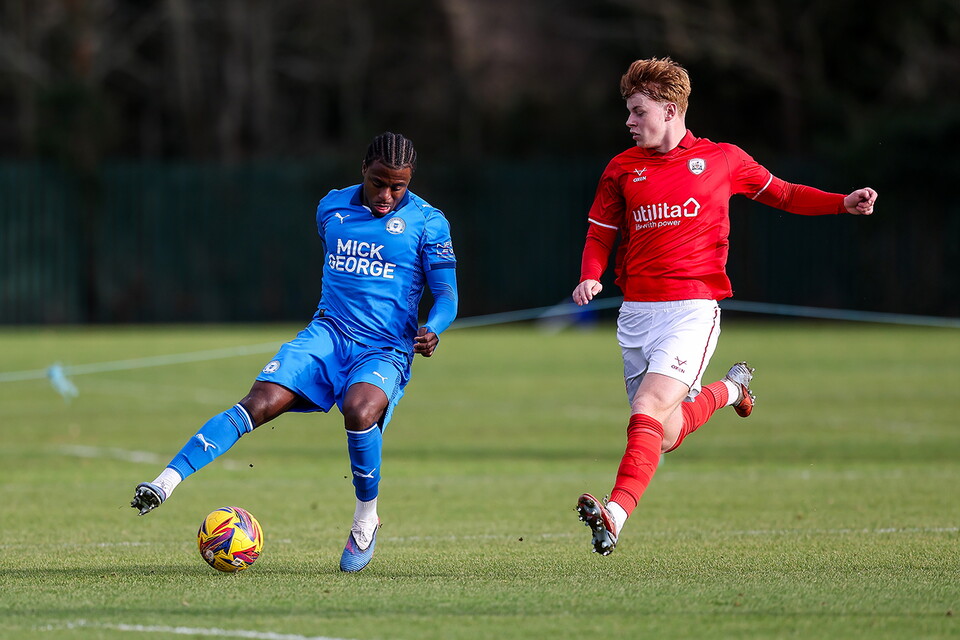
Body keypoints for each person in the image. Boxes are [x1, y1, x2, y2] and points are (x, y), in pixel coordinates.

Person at [572, 57, 877, 556]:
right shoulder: (621, 168)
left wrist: (840, 202)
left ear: (670, 110)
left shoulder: (723, 160)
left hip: (692, 310)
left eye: (636, 110)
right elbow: (600, 234)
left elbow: (784, 194)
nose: (628, 121)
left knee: (647, 410)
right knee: (664, 433)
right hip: (636, 315)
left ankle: (615, 514)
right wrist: (590, 274)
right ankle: (732, 388)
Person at [131, 132, 459, 572]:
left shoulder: (429, 222)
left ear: (409, 181)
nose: (386, 194)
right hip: (326, 335)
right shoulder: (331, 207)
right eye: (379, 182)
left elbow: (447, 297)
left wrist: (432, 329)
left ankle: (366, 519)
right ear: (363, 168)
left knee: (360, 412)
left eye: (397, 186)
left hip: (384, 348)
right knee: (258, 403)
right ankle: (164, 483)